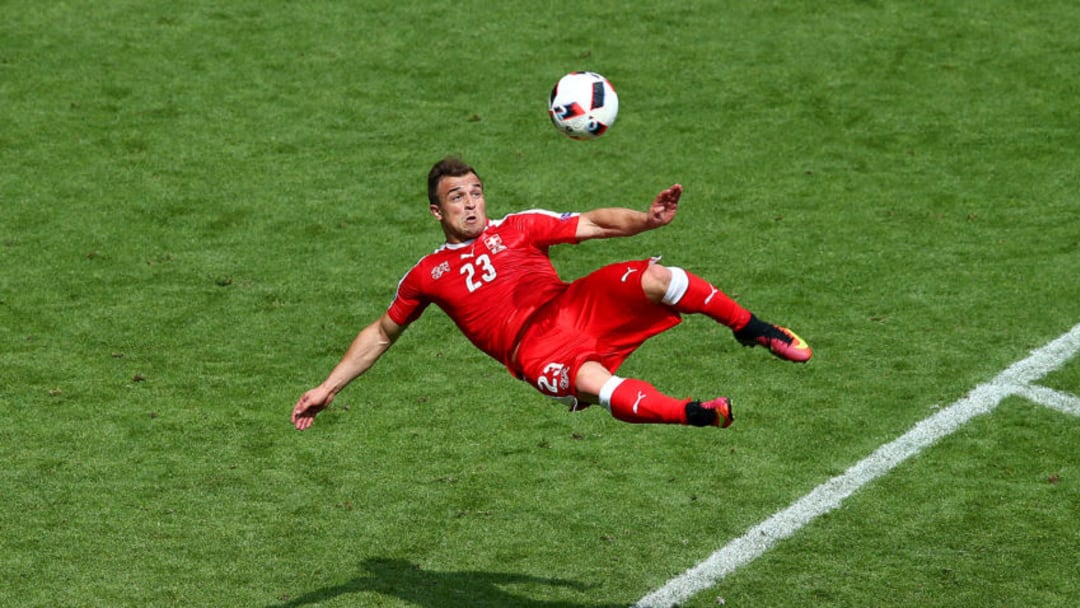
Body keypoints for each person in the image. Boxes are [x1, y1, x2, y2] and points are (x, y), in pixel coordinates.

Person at [292, 157, 811, 432]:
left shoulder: (519, 226)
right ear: (437, 212)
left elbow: (591, 223)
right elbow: (382, 334)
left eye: (475, 192)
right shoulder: (427, 274)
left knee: (662, 278)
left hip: (573, 304)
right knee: (597, 383)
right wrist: (328, 387)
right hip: (533, 348)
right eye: (457, 197)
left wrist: (646, 221)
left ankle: (751, 328)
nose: (470, 204)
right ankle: (696, 413)